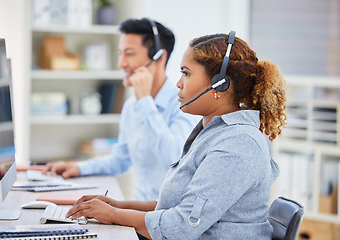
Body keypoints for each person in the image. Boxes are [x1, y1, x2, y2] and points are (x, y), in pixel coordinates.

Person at [65, 32, 287, 240]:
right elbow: (176, 208)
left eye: (186, 73)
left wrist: (113, 215)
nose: (178, 83)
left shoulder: (238, 144)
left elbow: (182, 225)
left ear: (221, 84)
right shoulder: (213, 133)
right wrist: (117, 206)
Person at [42, 18, 199, 201]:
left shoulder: (183, 104)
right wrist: (79, 168)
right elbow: (120, 160)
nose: (121, 63)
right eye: (120, 54)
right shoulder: (132, 106)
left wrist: (145, 102)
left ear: (159, 56)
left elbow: (173, 159)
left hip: (166, 220)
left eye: (129, 54)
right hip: (138, 214)